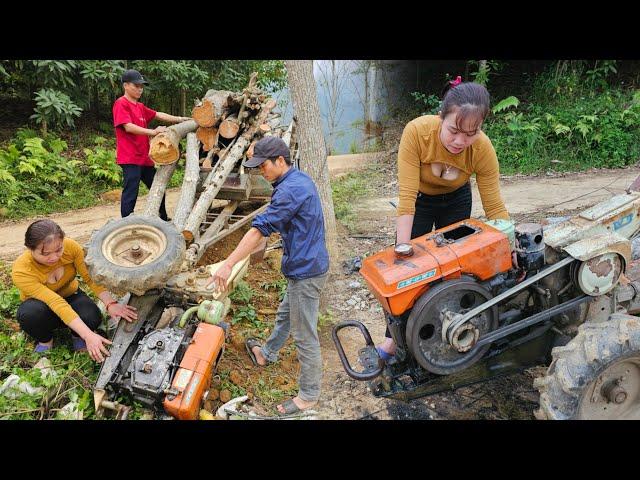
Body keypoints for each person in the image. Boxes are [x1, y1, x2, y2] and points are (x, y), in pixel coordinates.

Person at [377, 79, 510, 360]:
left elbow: (495, 207)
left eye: (471, 133)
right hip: (420, 203)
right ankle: (393, 341)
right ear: (441, 118)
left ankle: (442, 337)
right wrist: (403, 255)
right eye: (454, 130)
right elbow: (406, 198)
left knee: (454, 269)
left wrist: (511, 245)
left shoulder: (482, 149)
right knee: (407, 273)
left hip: (457, 200)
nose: (461, 141)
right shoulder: (417, 132)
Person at [207, 136, 329, 415]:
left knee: (304, 334)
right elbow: (279, 224)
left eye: (263, 166)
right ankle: (267, 353)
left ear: (280, 161)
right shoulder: (294, 181)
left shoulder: (290, 190)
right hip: (303, 263)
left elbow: (258, 229)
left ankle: (309, 395)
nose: (260, 171)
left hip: (306, 272)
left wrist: (228, 264)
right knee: (286, 314)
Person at [11, 219, 138, 362]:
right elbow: (55, 302)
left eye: (59, 249)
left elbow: (90, 278)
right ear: (30, 249)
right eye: (45, 254)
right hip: (41, 306)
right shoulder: (21, 270)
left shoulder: (71, 247)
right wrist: (88, 335)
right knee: (29, 315)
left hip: (71, 296)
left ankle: (76, 334)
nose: (54, 257)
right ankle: (45, 340)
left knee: (92, 316)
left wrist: (110, 304)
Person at [113, 69, 191, 221]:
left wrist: (181, 119)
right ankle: (126, 222)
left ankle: (163, 218)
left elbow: (158, 114)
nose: (140, 89)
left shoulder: (140, 106)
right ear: (126, 86)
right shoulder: (121, 104)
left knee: (158, 186)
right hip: (130, 158)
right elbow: (128, 127)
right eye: (136, 86)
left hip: (144, 157)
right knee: (131, 190)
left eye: (141, 86)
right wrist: (152, 132)